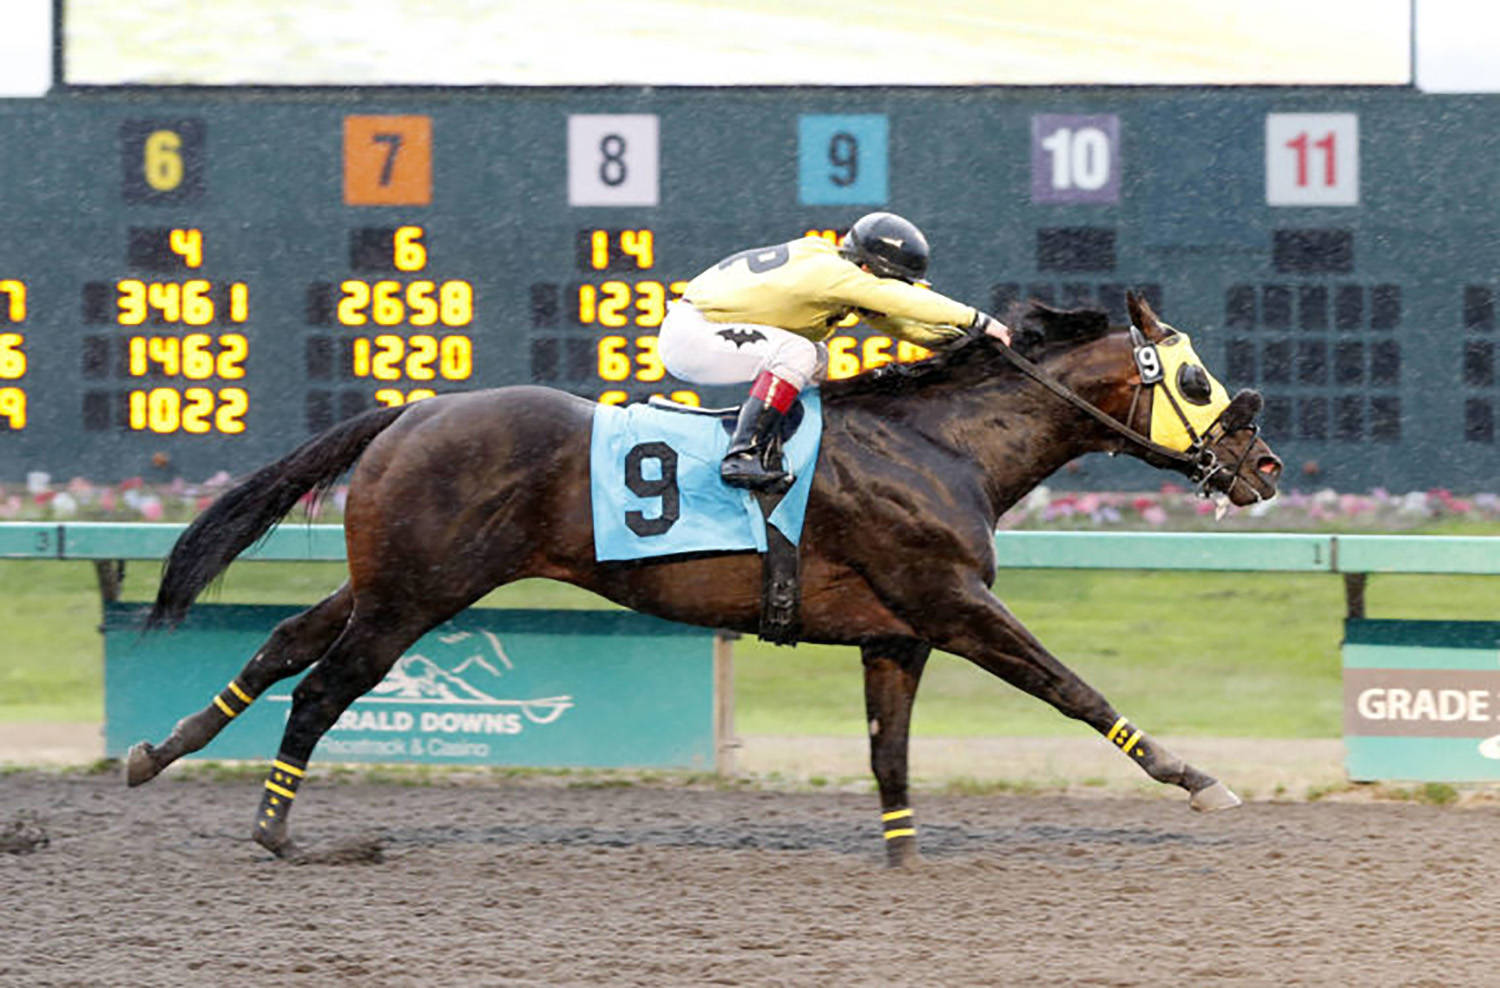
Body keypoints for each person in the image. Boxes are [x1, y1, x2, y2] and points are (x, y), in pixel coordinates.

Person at [658, 211, 1012, 493]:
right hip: (692, 335)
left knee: (815, 355)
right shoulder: (833, 273)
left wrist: (960, 345)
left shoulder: (835, 265)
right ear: (868, 268)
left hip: (705, 328)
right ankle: (743, 454)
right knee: (797, 351)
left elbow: (898, 324)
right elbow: (899, 300)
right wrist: (980, 321)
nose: (894, 287)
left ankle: (786, 444)